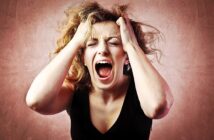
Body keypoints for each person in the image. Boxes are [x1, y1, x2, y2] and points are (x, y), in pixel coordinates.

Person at [25, 1, 174, 140]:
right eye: (92, 43)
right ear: (83, 58)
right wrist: (76, 41)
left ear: (127, 57)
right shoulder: (73, 91)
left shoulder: (143, 90)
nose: (102, 49)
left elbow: (158, 106)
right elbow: (36, 101)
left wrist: (130, 44)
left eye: (114, 42)